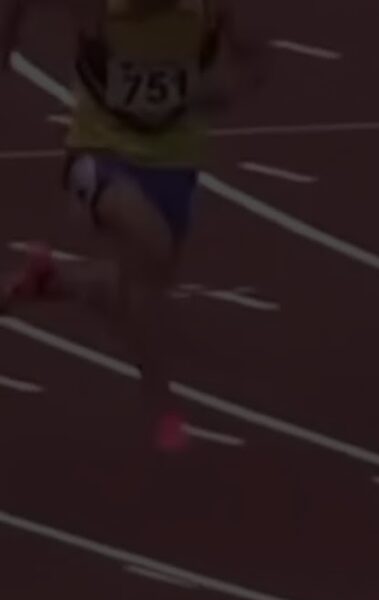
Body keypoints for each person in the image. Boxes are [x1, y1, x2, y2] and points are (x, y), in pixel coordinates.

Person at [0, 0, 263, 450]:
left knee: (138, 289)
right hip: (99, 156)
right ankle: (161, 398)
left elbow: (245, 57)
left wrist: (232, 81)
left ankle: (53, 281)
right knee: (150, 248)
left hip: (175, 166)